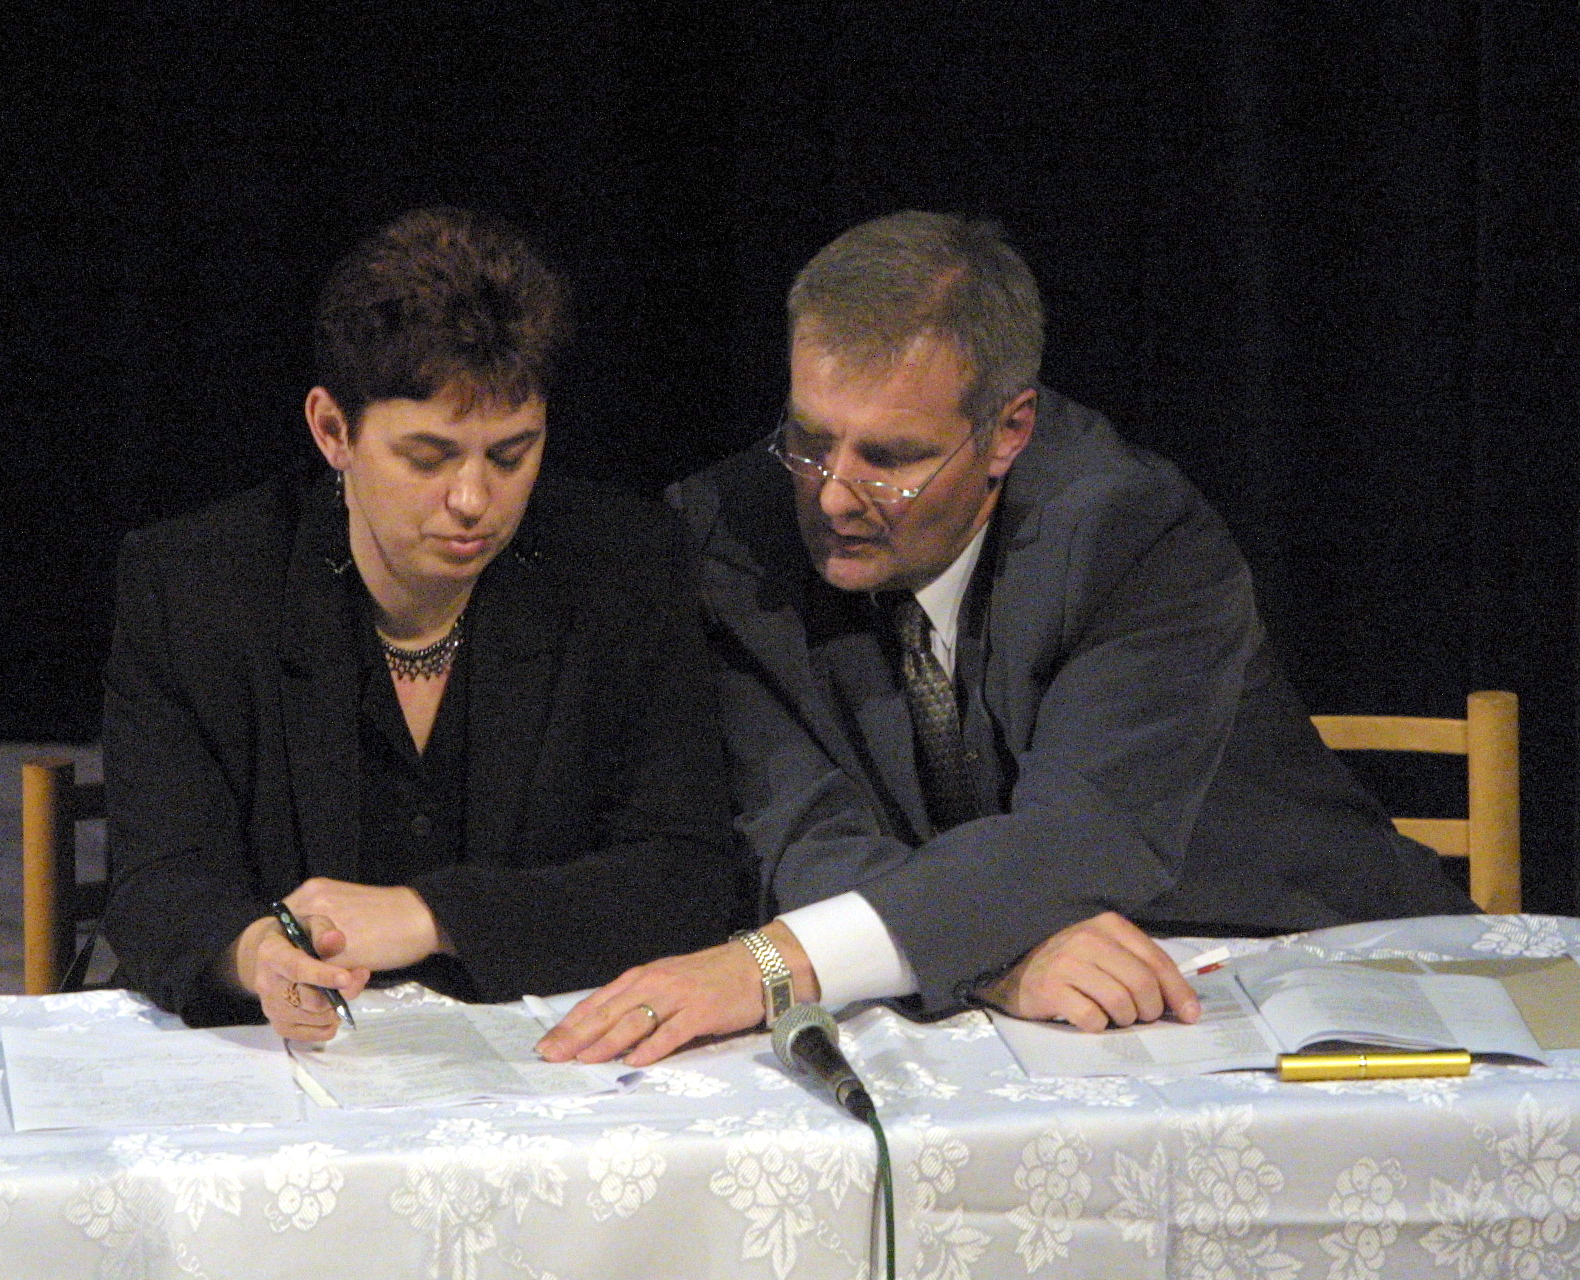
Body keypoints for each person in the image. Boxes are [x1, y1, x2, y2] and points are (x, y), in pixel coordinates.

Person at [538, 210, 1473, 1068]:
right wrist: (988, 955)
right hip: (1029, 1010)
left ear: (1007, 432)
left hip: (1306, 974)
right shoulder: (731, 533)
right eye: (811, 440)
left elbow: (1080, 837)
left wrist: (772, 965)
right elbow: (792, 823)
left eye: (890, 459)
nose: (832, 495)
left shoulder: (1131, 533)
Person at [102, 206, 740, 1040]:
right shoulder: (198, 585)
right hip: (273, 1057)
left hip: (537, 1056)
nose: (473, 500)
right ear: (333, 430)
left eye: (511, 455)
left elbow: (687, 876)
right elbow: (156, 883)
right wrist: (257, 954)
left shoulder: (625, 566)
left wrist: (431, 916)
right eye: (428, 458)